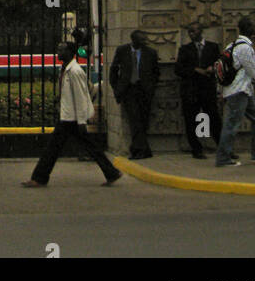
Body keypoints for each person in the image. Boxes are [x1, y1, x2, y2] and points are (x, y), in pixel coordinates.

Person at [22, 42, 122, 189]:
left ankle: (39, 178)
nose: (58, 52)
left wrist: (82, 121)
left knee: (53, 148)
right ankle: (111, 172)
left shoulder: (74, 71)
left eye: (62, 50)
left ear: (70, 52)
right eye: (58, 49)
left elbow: (81, 97)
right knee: (86, 147)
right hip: (68, 116)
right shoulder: (66, 69)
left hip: (72, 119)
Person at [214, 17, 255, 168]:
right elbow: (251, 68)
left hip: (243, 91)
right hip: (238, 91)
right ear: (247, 28)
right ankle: (223, 158)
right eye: (253, 26)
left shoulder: (231, 45)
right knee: (231, 124)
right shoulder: (245, 48)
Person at [174, 21, 222, 159]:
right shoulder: (185, 49)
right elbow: (178, 69)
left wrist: (212, 69)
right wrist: (195, 70)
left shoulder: (212, 47)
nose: (191, 34)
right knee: (191, 120)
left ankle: (223, 147)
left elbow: (220, 66)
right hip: (191, 90)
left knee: (214, 119)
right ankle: (196, 149)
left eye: (194, 31)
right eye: (189, 31)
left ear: (201, 32)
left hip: (207, 89)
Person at [109, 28, 160, 159]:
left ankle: (143, 149)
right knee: (134, 119)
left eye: (144, 39)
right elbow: (113, 70)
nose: (144, 42)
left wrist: (151, 87)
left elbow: (156, 72)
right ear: (133, 40)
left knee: (143, 120)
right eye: (141, 40)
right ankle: (138, 150)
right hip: (128, 90)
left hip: (144, 90)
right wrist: (116, 88)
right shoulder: (122, 51)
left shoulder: (151, 53)